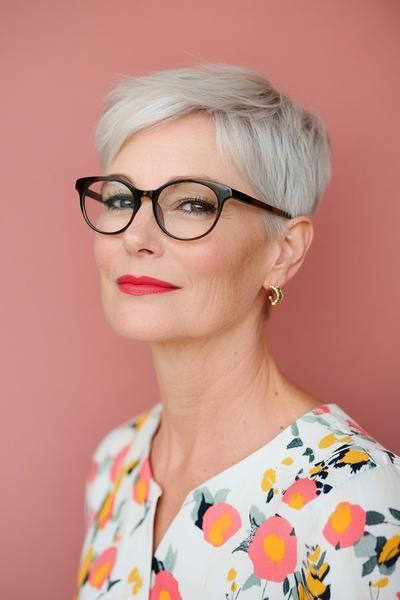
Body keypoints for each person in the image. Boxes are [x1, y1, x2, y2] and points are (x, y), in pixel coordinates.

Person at [74, 63, 400, 599]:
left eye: (191, 203)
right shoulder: (115, 462)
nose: (136, 236)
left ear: (283, 251)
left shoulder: (355, 494)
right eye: (120, 199)